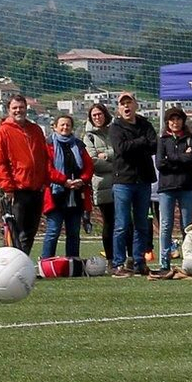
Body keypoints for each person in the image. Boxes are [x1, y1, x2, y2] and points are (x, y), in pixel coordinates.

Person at [0, 93, 49, 254]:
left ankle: (22, 264)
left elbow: (44, 157)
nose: (18, 111)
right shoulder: (3, 132)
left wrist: (44, 181)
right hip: (16, 189)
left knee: (30, 232)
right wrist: (7, 187)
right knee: (15, 232)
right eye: (15, 108)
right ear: (8, 110)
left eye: (21, 107)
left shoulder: (35, 130)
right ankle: (12, 265)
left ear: (26, 108)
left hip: (36, 189)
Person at [108, 92, 157, 277]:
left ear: (136, 105)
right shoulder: (115, 127)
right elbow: (121, 149)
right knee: (121, 224)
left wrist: (136, 144)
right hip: (123, 181)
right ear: (119, 109)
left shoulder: (145, 124)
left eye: (129, 103)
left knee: (142, 224)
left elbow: (154, 145)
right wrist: (141, 142)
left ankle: (139, 261)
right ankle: (119, 264)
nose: (126, 106)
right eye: (123, 104)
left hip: (143, 180)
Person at [41, 113, 93, 260]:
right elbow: (47, 168)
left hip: (76, 196)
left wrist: (82, 180)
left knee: (74, 232)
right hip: (55, 195)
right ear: (55, 127)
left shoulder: (79, 145)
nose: (65, 127)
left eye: (68, 125)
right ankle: (46, 262)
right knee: (53, 230)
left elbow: (88, 167)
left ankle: (73, 262)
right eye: (62, 125)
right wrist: (64, 181)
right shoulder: (48, 145)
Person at [154, 106, 192, 273]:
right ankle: (164, 262)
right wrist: (181, 158)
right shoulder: (163, 140)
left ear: (182, 121)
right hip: (166, 188)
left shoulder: (190, 139)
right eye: (172, 119)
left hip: (187, 187)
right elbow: (160, 164)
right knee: (166, 225)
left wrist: (171, 158)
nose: (175, 122)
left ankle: (189, 260)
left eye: (178, 119)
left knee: (187, 225)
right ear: (167, 122)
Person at [82, 103, 117, 266]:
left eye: (99, 114)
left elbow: (121, 151)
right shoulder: (88, 137)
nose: (97, 117)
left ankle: (126, 257)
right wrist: (117, 164)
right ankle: (111, 259)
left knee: (124, 223)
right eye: (94, 115)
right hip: (102, 186)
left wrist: (108, 155)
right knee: (109, 222)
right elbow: (93, 162)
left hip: (121, 183)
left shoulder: (116, 131)